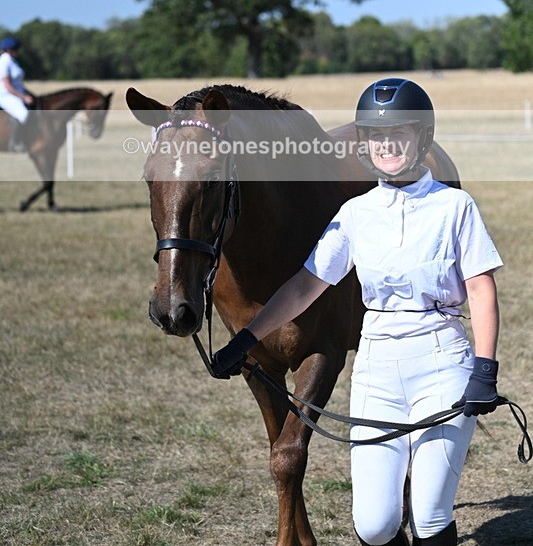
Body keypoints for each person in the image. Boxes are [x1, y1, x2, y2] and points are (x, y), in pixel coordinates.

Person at [212, 77, 502, 546]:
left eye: (399, 133)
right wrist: (246, 340)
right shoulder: (354, 213)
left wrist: (485, 368)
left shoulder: (455, 206)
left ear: (421, 139)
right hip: (376, 368)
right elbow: (305, 286)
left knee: (428, 517)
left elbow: (480, 287)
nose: (387, 145)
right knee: (374, 524)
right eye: (375, 136)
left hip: (440, 360)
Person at [0, 35, 34, 151]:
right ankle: (15, 143)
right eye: (15, 49)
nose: (17, 52)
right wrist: (23, 97)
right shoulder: (4, 62)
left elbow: (18, 83)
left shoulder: (12, 62)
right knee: (24, 114)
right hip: (5, 95)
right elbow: (8, 86)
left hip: (16, 93)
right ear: (10, 49)